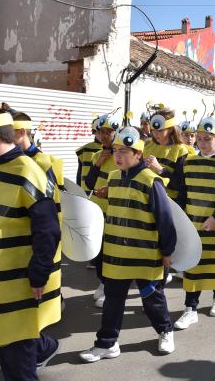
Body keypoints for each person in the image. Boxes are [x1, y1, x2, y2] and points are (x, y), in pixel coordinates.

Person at [0, 106, 61, 380]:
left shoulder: (26, 172)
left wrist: (38, 276)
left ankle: (39, 347)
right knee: (10, 341)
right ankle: (45, 346)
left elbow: (48, 231)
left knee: (15, 361)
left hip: (18, 282)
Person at [79, 127, 177, 362]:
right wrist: (105, 194)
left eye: (124, 151)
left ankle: (166, 331)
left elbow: (165, 219)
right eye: (116, 151)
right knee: (113, 301)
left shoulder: (151, 181)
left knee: (152, 298)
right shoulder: (113, 178)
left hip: (144, 255)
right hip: (115, 254)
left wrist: (167, 252)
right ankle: (107, 344)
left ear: (138, 155)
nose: (118, 156)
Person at [173, 117, 215, 329]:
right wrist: (180, 219)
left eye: (208, 139)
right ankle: (190, 308)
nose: (202, 143)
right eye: (200, 139)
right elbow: (182, 194)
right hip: (193, 224)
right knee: (193, 264)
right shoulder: (188, 162)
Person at [84, 114, 120, 307]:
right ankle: (103, 282)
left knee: (111, 252)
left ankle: (110, 287)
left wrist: (110, 191)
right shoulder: (96, 155)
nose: (105, 135)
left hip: (115, 212)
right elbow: (88, 183)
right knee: (99, 252)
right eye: (102, 132)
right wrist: (98, 164)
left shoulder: (122, 155)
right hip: (97, 211)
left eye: (109, 131)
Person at [143, 107, 188, 200]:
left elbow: (180, 185)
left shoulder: (180, 150)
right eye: (153, 130)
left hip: (167, 201)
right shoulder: (147, 146)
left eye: (160, 130)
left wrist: (160, 169)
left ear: (171, 129)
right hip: (146, 198)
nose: (155, 134)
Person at [75, 116, 103, 192]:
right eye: (98, 131)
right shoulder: (84, 150)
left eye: (104, 131)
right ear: (94, 132)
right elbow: (79, 175)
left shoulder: (115, 149)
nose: (101, 134)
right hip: (86, 194)